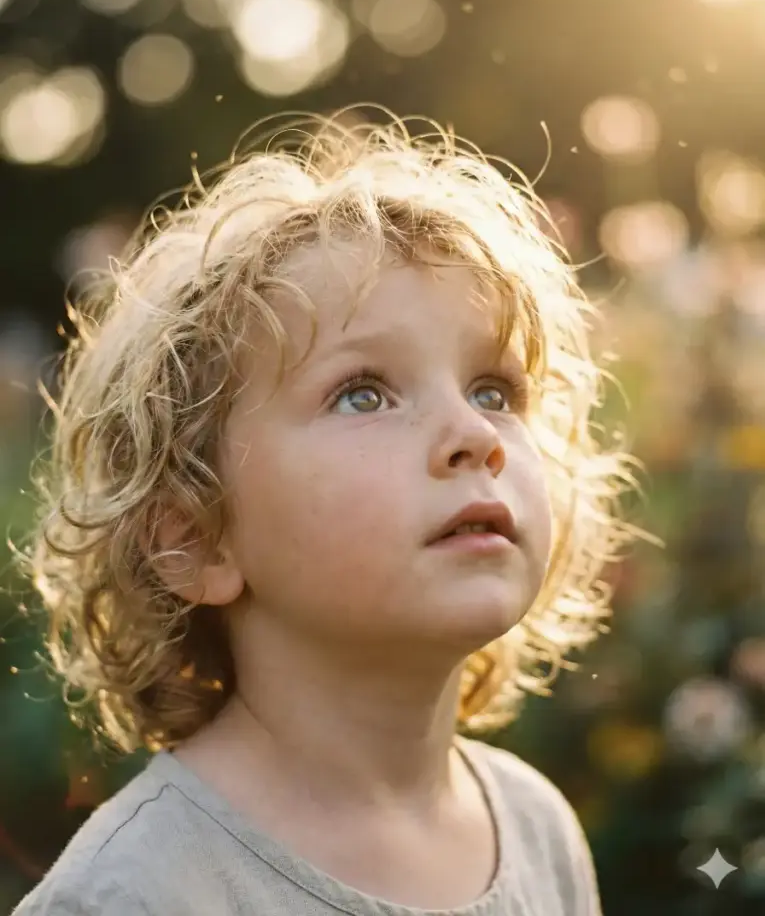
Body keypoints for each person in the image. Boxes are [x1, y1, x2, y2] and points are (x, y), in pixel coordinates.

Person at [12, 107, 638, 915]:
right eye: (363, 393)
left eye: (495, 390)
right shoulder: (138, 892)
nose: (474, 434)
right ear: (196, 538)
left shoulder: (535, 827)